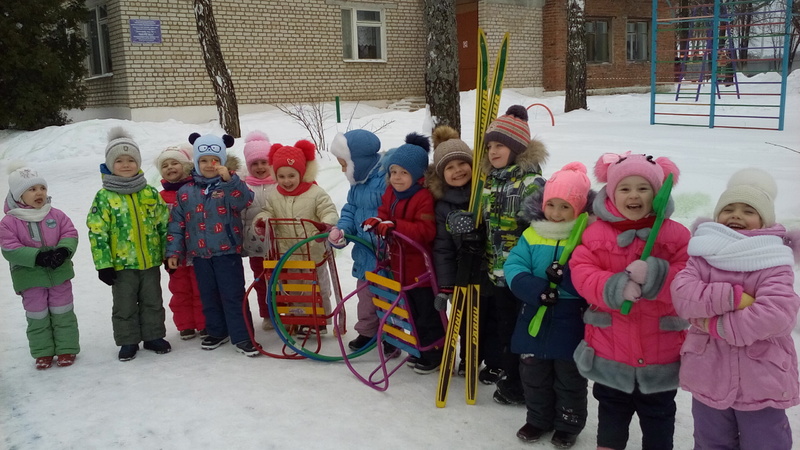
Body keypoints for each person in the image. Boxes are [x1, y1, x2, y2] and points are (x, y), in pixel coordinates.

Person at [671, 168, 800, 450]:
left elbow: (777, 314)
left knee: (765, 442)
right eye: (728, 208)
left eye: (748, 210)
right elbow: (683, 296)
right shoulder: (703, 253)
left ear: (765, 219)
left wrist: (715, 324)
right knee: (710, 441)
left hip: (762, 378)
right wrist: (735, 297)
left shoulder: (774, 258)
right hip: (708, 372)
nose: (736, 215)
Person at [570, 152, 690, 450]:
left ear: (658, 193)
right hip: (610, 351)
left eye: (643, 188)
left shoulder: (676, 236)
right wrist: (615, 286)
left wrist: (655, 275)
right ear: (611, 194)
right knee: (611, 420)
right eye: (625, 188)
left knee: (659, 421)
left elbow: (689, 275)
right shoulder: (596, 234)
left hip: (660, 354)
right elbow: (582, 272)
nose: (633, 195)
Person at [503, 162, 594, 447]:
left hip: (569, 317)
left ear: (578, 209)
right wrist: (538, 288)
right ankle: (538, 418)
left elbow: (591, 275)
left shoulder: (586, 237)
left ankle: (568, 423)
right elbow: (514, 266)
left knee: (569, 375)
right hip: (534, 312)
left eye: (565, 207)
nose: (556, 213)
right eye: (551, 204)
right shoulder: (532, 233)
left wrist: (565, 279)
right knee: (533, 371)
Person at [476, 105, 549, 404]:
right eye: (490, 146)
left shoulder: (532, 183)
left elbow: (541, 228)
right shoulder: (490, 181)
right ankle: (511, 375)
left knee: (524, 331)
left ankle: (527, 383)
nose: (493, 152)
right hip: (496, 270)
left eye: (500, 146)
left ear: (517, 149)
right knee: (504, 327)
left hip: (523, 274)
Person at [166, 132, 258, 357]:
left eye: (214, 160)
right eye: (204, 160)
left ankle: (243, 336)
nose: (209, 165)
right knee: (208, 295)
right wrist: (174, 251)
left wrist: (230, 181)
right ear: (196, 162)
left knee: (232, 294)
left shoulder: (229, 186)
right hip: (199, 254)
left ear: (223, 163)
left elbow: (244, 200)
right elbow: (177, 223)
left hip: (227, 251)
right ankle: (217, 331)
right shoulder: (186, 192)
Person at [87, 128, 171, 361]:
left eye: (131, 160)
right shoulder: (104, 197)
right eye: (119, 161)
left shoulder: (150, 192)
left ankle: (154, 335)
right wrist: (103, 264)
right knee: (125, 305)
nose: (126, 165)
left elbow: (163, 224)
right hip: (121, 265)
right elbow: (97, 231)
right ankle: (128, 340)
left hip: (149, 260)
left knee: (153, 301)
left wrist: (168, 254)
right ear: (110, 164)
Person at [361, 132, 442, 373]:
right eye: (393, 171)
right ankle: (420, 349)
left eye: (403, 173)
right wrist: (378, 220)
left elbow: (426, 230)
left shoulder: (423, 198)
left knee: (427, 314)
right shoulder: (391, 193)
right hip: (399, 266)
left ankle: (434, 352)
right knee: (411, 313)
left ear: (417, 175)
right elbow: (384, 212)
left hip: (421, 272)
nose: (397, 178)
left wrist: (396, 226)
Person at [253, 139, 339, 335]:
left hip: (313, 251)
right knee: (293, 287)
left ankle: (319, 319)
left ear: (302, 173)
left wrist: (325, 225)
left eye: (291, 175)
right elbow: (268, 211)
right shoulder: (275, 195)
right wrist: (262, 220)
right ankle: (299, 318)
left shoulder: (316, 193)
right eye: (281, 176)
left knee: (317, 287)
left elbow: (328, 210)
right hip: (287, 252)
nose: (286, 181)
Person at [1, 164, 80, 370]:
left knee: (63, 313)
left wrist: (63, 251)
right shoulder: (9, 222)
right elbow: (9, 247)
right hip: (30, 279)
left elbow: (70, 233)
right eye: (32, 189)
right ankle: (43, 352)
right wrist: (37, 257)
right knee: (37, 316)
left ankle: (66, 348)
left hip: (59, 274)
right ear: (19, 196)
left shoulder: (56, 215)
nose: (39, 193)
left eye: (42, 188)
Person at [426, 125, 483, 375]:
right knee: (465, 320)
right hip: (463, 270)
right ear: (441, 174)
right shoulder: (443, 207)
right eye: (449, 167)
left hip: (489, 267)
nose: (457, 170)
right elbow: (443, 248)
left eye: (462, 163)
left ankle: (492, 361)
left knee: (489, 318)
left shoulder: (484, 194)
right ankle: (467, 358)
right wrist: (446, 285)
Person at [327, 129, 387, 350]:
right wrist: (342, 231)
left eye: (345, 164)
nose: (343, 170)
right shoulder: (358, 183)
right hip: (364, 255)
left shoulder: (386, 180)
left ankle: (390, 335)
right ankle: (368, 332)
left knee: (387, 298)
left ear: (358, 161)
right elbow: (351, 210)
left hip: (384, 254)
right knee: (365, 298)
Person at [156, 143, 206, 340]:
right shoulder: (159, 197)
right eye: (165, 165)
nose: (170, 168)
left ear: (186, 165)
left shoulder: (195, 189)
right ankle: (185, 324)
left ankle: (203, 323)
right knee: (179, 289)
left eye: (174, 163)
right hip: (173, 253)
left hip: (196, 249)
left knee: (199, 287)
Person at [240, 130, 278, 331]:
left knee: (280, 278)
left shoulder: (279, 183)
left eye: (264, 162)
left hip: (279, 244)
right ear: (248, 166)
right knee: (261, 280)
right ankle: (267, 314)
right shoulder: (244, 186)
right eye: (254, 163)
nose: (260, 167)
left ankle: (284, 311)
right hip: (255, 245)